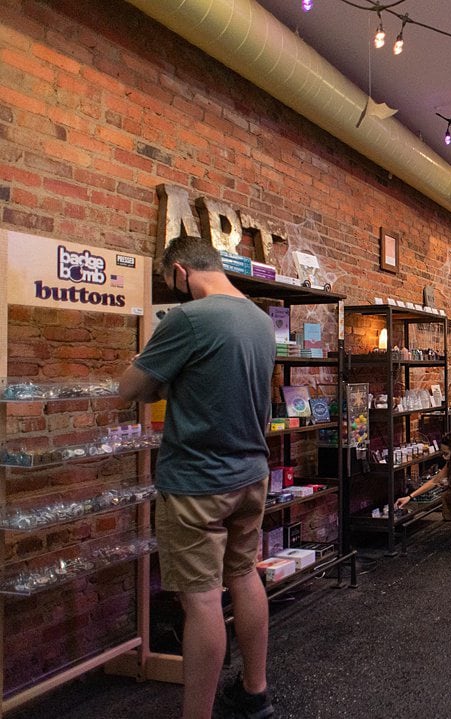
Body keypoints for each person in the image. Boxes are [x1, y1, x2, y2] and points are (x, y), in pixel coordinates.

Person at [119, 236, 275, 719]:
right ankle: (255, 691)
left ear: (181, 270)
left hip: (197, 483)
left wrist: (165, 378)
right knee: (245, 575)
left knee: (202, 599)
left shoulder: (189, 319)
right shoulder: (262, 320)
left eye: (172, 283)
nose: (176, 292)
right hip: (252, 473)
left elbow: (131, 388)